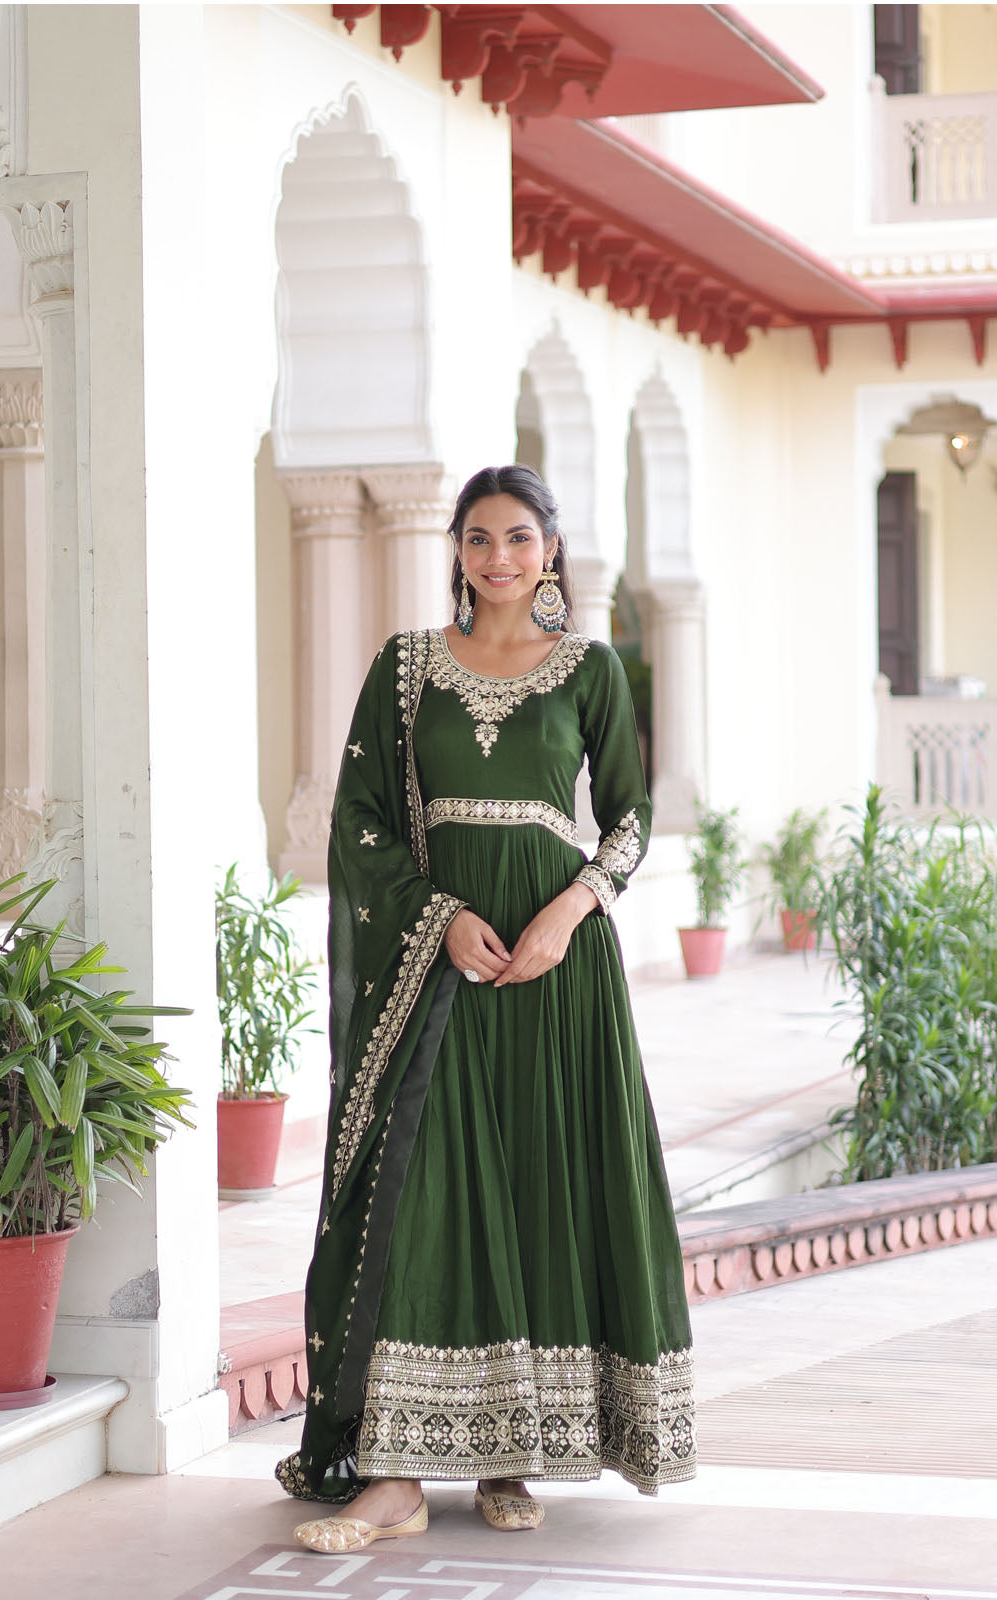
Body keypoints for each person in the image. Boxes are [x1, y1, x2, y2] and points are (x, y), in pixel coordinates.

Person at [276, 464, 695, 1554]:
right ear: (456, 550)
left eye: (517, 538)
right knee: (422, 1194)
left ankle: (515, 1449)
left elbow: (632, 821)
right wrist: (441, 915)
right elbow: (360, 817)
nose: (496, 558)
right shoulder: (406, 669)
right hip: (438, 964)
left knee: (538, 1186)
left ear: (550, 550)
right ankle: (394, 1474)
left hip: (559, 975)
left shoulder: (588, 667)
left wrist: (566, 916)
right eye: (477, 538)